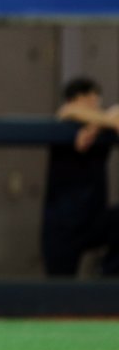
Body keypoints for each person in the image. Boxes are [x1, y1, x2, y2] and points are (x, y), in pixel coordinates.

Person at [42, 76, 119, 276]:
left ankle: (106, 276)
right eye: (91, 99)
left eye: (97, 99)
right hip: (61, 224)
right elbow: (68, 112)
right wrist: (104, 122)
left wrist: (94, 128)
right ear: (78, 98)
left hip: (93, 219)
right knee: (59, 291)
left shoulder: (97, 126)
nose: (95, 103)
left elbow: (117, 113)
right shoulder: (64, 121)